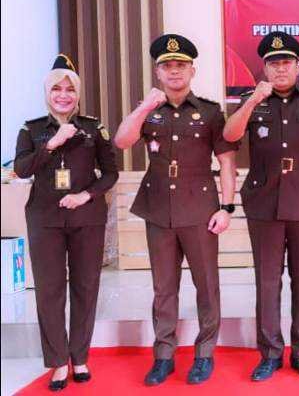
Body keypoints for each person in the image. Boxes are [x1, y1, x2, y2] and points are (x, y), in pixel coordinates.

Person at [113, 34, 238, 386]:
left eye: (181, 65)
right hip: (158, 211)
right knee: (163, 288)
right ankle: (164, 355)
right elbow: (121, 141)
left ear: (192, 70)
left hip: (200, 211)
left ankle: (204, 353)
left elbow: (227, 163)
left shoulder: (210, 112)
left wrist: (227, 207)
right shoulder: (148, 110)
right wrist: (143, 108)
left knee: (206, 286)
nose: (174, 71)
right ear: (158, 72)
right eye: (167, 66)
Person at [222, 31, 299, 381]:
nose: (280, 69)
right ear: (265, 68)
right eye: (274, 63)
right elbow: (229, 135)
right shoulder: (251, 100)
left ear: (297, 66)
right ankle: (270, 353)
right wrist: (253, 101)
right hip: (265, 202)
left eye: (286, 62)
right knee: (267, 281)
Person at [14, 54, 118, 391]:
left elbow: (111, 173)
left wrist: (86, 195)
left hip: (87, 217)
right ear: (47, 92)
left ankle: (80, 357)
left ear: (78, 94)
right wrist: (53, 143)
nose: (63, 95)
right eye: (56, 89)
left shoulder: (93, 128)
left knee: (86, 287)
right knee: (50, 290)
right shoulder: (31, 130)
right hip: (44, 218)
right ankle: (59, 361)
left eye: (70, 89)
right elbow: (22, 169)